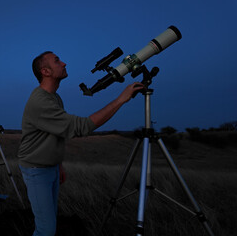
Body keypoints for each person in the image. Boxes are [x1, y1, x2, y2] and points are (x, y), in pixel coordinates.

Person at [17, 51, 144, 236]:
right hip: (36, 170)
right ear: (45, 71)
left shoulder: (54, 97)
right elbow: (82, 127)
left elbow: (55, 134)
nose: (64, 63)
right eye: (57, 61)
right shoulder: (40, 101)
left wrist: (58, 165)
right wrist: (120, 100)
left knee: (49, 223)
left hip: (49, 167)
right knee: (46, 229)